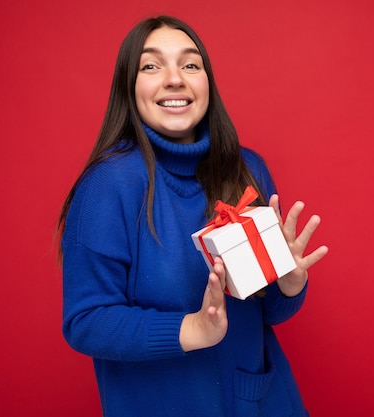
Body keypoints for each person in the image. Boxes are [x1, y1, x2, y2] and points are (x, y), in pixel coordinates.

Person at [57, 15, 328, 417]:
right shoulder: (108, 185)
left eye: (190, 64)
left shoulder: (246, 170)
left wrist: (288, 285)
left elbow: (269, 312)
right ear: (128, 89)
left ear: (207, 83)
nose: (174, 79)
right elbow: (86, 321)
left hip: (259, 400)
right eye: (152, 66)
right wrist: (194, 329)